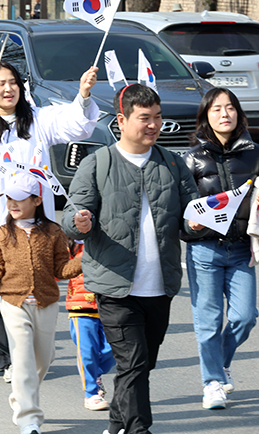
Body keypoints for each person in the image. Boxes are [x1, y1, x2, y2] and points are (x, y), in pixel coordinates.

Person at [0, 61, 98, 382]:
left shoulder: (38, 120)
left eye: (13, 82)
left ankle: (2, 345)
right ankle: (7, 356)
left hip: (37, 218)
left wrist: (82, 96)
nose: (8, 89)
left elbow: (75, 125)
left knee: (34, 276)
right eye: (1, 84)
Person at [61, 83, 201, 434]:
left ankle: (115, 426)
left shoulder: (172, 163)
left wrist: (197, 222)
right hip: (114, 285)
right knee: (134, 361)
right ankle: (139, 429)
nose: (154, 125)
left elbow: (191, 214)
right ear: (121, 121)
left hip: (161, 285)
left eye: (157, 117)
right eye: (145, 118)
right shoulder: (98, 163)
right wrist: (79, 222)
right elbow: (71, 217)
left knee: (139, 365)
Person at [0, 172, 82, 434]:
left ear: (37, 200)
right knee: (23, 358)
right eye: (8, 199)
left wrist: (86, 259)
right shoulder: (3, 234)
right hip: (13, 303)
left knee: (44, 358)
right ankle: (29, 418)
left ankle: (20, 396)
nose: (12, 204)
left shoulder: (53, 232)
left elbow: (61, 269)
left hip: (46, 302)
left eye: (19, 199)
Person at [181, 87, 259, 409]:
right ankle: (212, 382)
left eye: (230, 108)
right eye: (216, 109)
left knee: (245, 316)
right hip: (205, 251)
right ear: (205, 117)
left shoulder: (255, 153)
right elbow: (183, 209)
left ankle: (221, 362)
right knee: (209, 321)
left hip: (241, 249)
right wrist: (192, 224)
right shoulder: (191, 158)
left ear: (239, 114)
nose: (224, 114)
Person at [66, 233, 115, 411]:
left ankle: (95, 374)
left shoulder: (111, 238)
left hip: (111, 302)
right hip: (80, 306)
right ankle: (91, 393)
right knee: (87, 351)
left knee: (115, 348)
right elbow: (59, 270)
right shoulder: (72, 243)